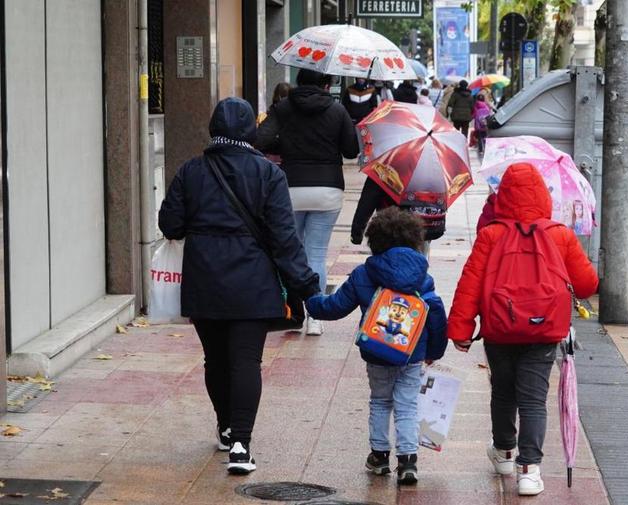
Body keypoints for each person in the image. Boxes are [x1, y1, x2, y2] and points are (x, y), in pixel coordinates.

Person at [159, 97, 320, 475]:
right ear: (250, 130)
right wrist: (307, 286)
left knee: (215, 359)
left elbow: (170, 225)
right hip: (253, 283)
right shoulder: (268, 174)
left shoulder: (191, 171)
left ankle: (226, 425)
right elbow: (284, 238)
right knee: (246, 361)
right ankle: (241, 446)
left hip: (204, 282)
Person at [446, 163, 598, 496]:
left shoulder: (491, 234)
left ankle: (503, 452)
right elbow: (587, 284)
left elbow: (470, 283)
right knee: (533, 400)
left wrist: (459, 328)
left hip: (499, 328)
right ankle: (529, 470)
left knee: (502, 392)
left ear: (504, 197)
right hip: (544, 330)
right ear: (543, 196)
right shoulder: (559, 234)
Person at [306, 207, 448, 485]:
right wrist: (435, 351)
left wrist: (310, 300)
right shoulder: (422, 275)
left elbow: (334, 307)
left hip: (377, 350)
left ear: (375, 241)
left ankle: (380, 456)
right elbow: (436, 313)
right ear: (414, 240)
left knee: (380, 401)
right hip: (411, 352)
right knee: (407, 406)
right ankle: (408, 461)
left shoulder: (364, 273)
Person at [256, 69, 359, 336]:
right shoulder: (337, 111)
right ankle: (316, 317)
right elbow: (351, 150)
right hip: (328, 189)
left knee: (292, 252)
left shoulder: (284, 107)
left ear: (299, 82)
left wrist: (287, 145)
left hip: (290, 189)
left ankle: (293, 313)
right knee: (316, 254)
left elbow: (260, 140)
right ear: (326, 84)